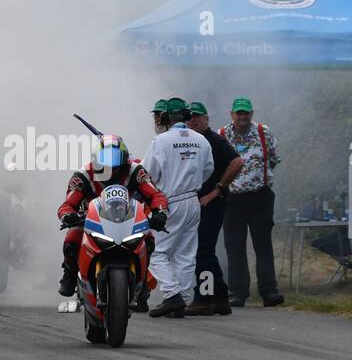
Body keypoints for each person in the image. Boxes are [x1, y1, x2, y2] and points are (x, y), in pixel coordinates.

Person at [56, 133, 167, 301]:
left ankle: (142, 278)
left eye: (116, 158)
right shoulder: (83, 175)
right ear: (95, 158)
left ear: (125, 158)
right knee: (72, 237)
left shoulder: (135, 170)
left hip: (127, 218)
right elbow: (67, 204)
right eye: (105, 158)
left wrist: (160, 212)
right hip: (91, 219)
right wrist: (68, 216)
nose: (111, 166)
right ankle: (70, 273)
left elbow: (155, 195)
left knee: (149, 238)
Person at [143, 98, 212, 318]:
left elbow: (147, 174)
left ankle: (172, 295)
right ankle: (182, 299)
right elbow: (208, 169)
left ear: (166, 117)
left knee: (156, 252)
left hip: (169, 201)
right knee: (185, 253)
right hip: (193, 200)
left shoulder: (160, 141)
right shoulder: (201, 140)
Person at [219, 97, 284, 308]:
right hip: (233, 198)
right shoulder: (222, 134)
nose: (242, 117)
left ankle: (269, 291)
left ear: (252, 114)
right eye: (239, 113)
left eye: (246, 113)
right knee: (235, 246)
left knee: (263, 245)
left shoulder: (264, 132)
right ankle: (237, 293)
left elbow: (274, 159)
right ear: (232, 115)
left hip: (260, 196)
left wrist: (259, 178)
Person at [184, 102, 243, 316]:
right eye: (190, 117)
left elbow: (237, 162)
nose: (194, 120)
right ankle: (220, 298)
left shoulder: (213, 140)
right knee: (203, 250)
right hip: (196, 203)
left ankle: (204, 299)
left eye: (198, 117)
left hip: (211, 203)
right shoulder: (189, 140)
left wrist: (218, 189)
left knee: (202, 251)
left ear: (207, 119)